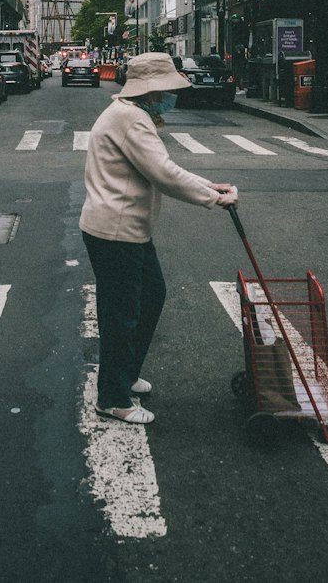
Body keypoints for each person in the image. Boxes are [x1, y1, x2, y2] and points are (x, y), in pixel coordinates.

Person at [80, 51, 238, 425]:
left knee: (150, 295)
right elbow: (163, 173)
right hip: (117, 232)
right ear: (151, 91)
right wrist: (213, 197)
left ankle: (125, 374)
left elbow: (162, 169)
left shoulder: (128, 114)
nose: (172, 95)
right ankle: (113, 398)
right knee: (122, 315)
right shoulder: (131, 119)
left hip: (124, 229)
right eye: (167, 89)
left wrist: (207, 184)